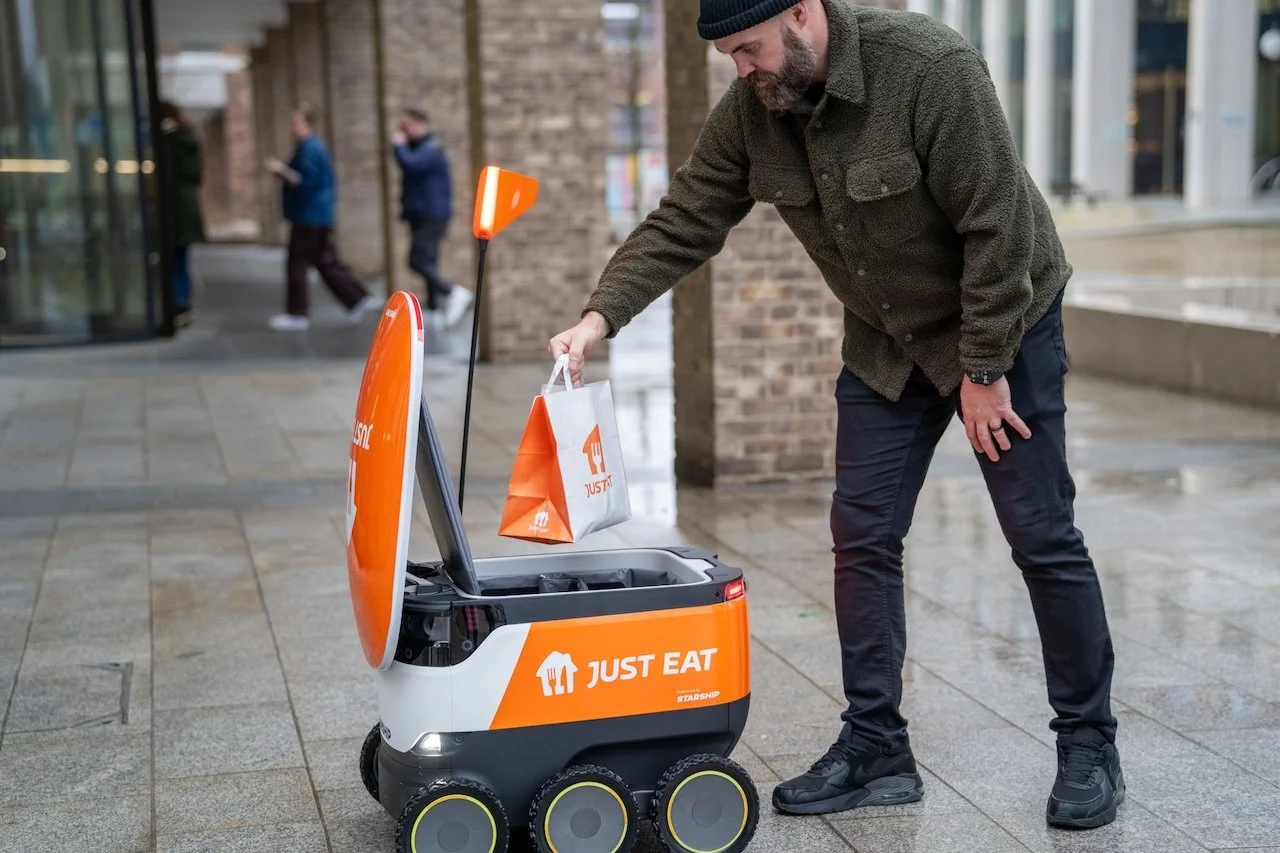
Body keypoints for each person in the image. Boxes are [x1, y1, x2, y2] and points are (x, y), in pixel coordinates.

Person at [548, 0, 1123, 832]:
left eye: (747, 49)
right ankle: (876, 746)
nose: (740, 70)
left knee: (1040, 533)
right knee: (861, 533)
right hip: (888, 342)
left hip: (1005, 322)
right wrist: (600, 317)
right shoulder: (754, 109)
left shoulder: (928, 67)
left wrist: (986, 367)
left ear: (803, 14)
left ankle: (1089, 744)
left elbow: (998, 222)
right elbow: (686, 218)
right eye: (727, 57)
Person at [264, 103, 383, 331]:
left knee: (297, 263)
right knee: (325, 261)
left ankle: (297, 313)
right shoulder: (309, 147)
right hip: (314, 214)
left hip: (309, 215)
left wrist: (281, 170)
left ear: (308, 125)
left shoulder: (310, 149)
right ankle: (357, 299)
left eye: (296, 123)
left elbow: (306, 182)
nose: (292, 128)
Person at [391, 108, 472, 326]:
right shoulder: (420, 147)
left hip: (431, 214)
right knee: (429, 260)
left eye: (406, 127)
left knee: (416, 261)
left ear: (421, 125)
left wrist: (398, 146)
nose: (403, 133)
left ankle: (454, 292)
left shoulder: (430, 148)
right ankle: (433, 308)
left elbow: (412, 165)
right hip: (422, 213)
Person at [159, 101, 205, 326]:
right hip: (184, 210)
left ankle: (179, 303)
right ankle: (182, 302)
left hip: (175, 210)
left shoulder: (172, 141)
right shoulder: (187, 139)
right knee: (179, 259)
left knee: (174, 259)